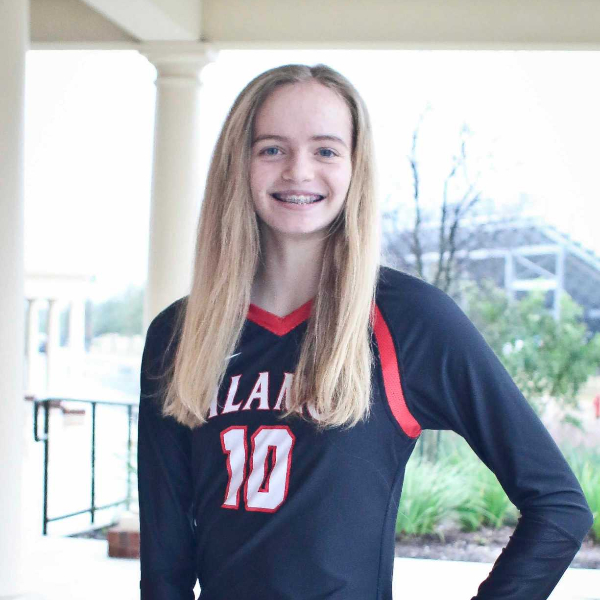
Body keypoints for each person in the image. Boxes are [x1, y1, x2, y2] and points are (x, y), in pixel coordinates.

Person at [137, 63, 594, 600]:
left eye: (326, 150)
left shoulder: (411, 321)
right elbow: (164, 564)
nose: (299, 171)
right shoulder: (179, 335)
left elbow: (558, 507)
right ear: (238, 164)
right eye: (272, 149)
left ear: (356, 167)